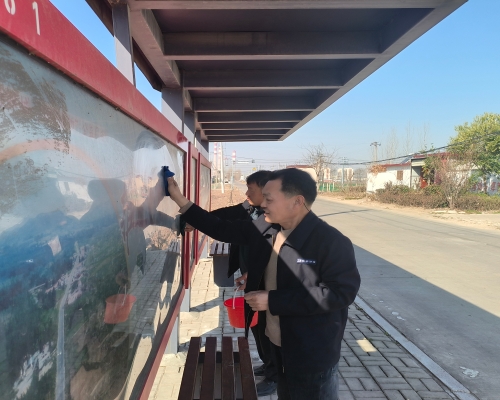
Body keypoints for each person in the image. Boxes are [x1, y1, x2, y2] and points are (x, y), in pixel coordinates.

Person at [167, 168, 360, 400]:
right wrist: (179, 199)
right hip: (276, 343)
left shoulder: (331, 242)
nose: (262, 204)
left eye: (269, 199)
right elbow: (221, 228)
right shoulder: (268, 227)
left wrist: (272, 300)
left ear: (297, 201)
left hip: (309, 353)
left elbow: (340, 293)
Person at [185, 170, 279, 395]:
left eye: (251, 190)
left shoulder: (273, 220)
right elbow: (226, 217)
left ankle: (275, 375)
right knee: (256, 327)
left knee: (268, 330)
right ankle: (268, 364)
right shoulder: (252, 210)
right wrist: (195, 220)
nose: (246, 193)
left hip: (267, 288)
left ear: (266, 191)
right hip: (253, 279)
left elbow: (274, 258)